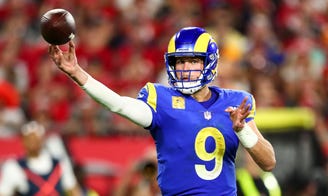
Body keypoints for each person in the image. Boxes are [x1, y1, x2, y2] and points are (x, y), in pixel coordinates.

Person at [48, 26, 276, 195]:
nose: (185, 68)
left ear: (209, 63)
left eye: (192, 61)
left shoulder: (236, 102)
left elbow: (268, 162)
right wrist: (77, 73)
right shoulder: (161, 99)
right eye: (179, 61)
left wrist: (243, 130)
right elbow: (118, 104)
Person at [0, 121, 79, 196]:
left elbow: (73, 189)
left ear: (42, 139)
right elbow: (4, 192)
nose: (33, 142)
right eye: (29, 139)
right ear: (23, 141)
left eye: (36, 138)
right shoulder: (13, 167)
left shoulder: (60, 163)